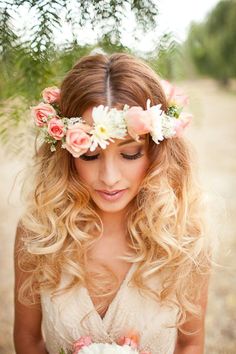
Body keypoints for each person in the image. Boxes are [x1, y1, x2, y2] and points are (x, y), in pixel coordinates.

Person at [14, 52, 212, 354]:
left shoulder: (186, 237)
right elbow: (28, 340)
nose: (109, 177)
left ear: (157, 152)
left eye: (130, 154)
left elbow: (190, 344)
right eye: (90, 155)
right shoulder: (38, 234)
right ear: (67, 153)